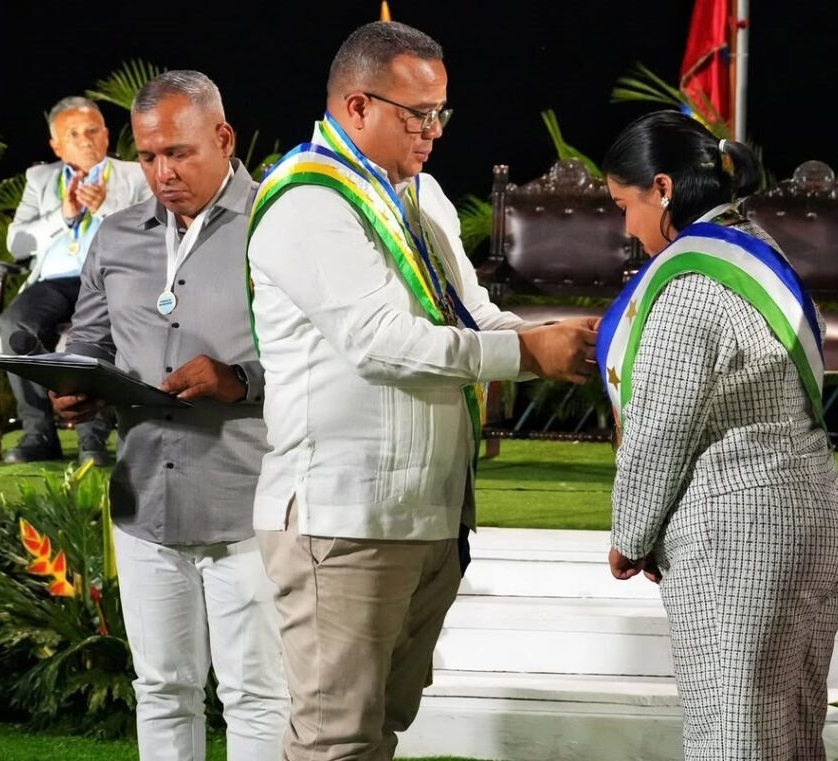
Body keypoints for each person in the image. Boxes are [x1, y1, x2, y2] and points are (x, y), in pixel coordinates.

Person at [247, 21, 598, 761]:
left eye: (441, 112)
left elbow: (473, 316)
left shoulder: (421, 192)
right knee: (335, 740)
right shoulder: (308, 201)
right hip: (345, 518)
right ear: (357, 107)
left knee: (381, 728)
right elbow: (380, 343)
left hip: (428, 509)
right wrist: (526, 351)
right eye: (419, 114)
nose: (435, 130)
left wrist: (560, 341)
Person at [596, 110, 838, 760]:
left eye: (625, 206)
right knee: (794, 738)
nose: (626, 229)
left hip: (740, 535)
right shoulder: (761, 251)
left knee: (732, 741)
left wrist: (630, 535)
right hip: (819, 519)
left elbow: (660, 430)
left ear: (662, 189)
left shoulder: (690, 282)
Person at [51, 71, 288, 760]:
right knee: (160, 688)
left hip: (248, 500)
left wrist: (239, 381)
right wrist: (75, 381)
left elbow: (327, 357)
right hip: (144, 501)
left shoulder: (277, 228)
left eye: (179, 153)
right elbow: (89, 338)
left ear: (224, 138)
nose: (162, 173)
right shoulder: (117, 236)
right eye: (150, 156)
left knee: (255, 694)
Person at [1, 96, 151, 465]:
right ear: (56, 145)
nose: (85, 140)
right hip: (54, 282)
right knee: (14, 324)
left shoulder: (135, 175)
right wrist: (63, 215)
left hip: (107, 279)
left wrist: (105, 208)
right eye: (73, 134)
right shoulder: (40, 180)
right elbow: (17, 244)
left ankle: (92, 440)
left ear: (106, 136)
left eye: (92, 131)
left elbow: (152, 232)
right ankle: (38, 433)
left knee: (85, 334)